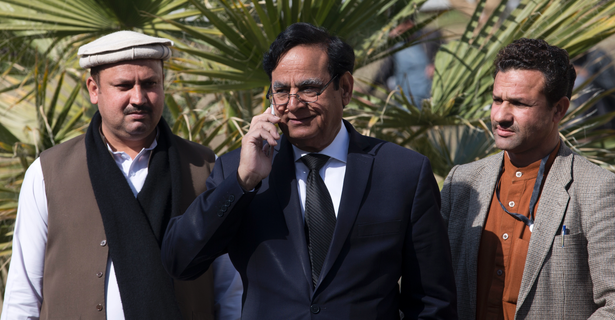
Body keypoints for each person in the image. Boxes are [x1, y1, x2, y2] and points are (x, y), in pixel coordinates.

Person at [161, 22, 457, 319]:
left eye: (308, 88)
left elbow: (431, 302)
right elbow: (180, 261)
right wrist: (243, 182)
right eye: (281, 91)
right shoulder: (238, 170)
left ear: (345, 88)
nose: (293, 104)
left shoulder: (402, 172)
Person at [1, 31, 242, 320]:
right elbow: (23, 295)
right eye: (124, 85)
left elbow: (230, 289)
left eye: (150, 84)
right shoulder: (48, 173)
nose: (138, 98)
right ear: (94, 89)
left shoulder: (204, 167)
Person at [441, 38, 615, 319]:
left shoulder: (597, 190)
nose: (500, 115)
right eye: (497, 100)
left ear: (559, 109)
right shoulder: (461, 184)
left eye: (519, 103)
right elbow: (429, 287)